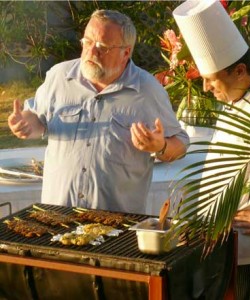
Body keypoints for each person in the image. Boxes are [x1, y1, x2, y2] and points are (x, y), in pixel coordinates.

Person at [8, 9, 189, 214]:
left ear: (126, 52)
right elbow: (37, 118)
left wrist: (161, 146)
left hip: (116, 224)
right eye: (87, 42)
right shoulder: (59, 77)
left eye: (102, 47)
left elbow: (180, 145)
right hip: (56, 217)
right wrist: (25, 124)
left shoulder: (147, 90)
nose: (91, 52)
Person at [173, 0, 250, 299]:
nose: (205, 88)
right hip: (225, 248)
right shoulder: (234, 101)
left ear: (240, 71)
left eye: (210, 79)